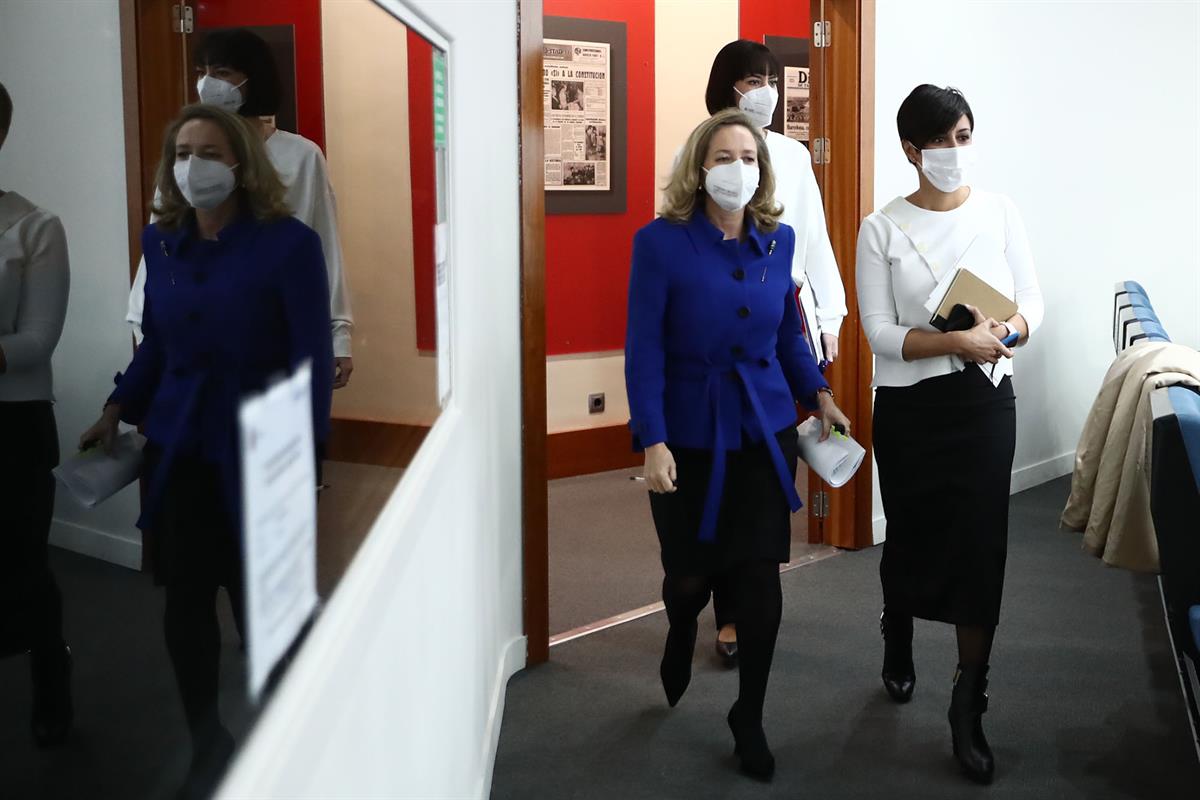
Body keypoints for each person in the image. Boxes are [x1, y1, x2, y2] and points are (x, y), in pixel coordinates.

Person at [80, 104, 333, 798]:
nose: (196, 165)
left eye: (212, 151)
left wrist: (305, 462)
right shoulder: (160, 242)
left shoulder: (289, 244)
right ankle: (206, 738)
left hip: (261, 450)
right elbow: (158, 341)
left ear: (242, 163)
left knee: (264, 612)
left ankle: (285, 741)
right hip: (180, 447)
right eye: (184, 151)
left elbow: (311, 360)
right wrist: (117, 406)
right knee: (185, 601)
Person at [625, 108, 851, 781]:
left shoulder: (779, 242)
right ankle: (679, 625)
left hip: (763, 428)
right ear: (699, 168)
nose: (738, 170)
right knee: (690, 576)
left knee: (757, 575)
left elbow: (785, 333)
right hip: (688, 433)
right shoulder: (659, 243)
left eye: (749, 158)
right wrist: (653, 438)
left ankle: (748, 714)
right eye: (724, 157)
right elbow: (643, 349)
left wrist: (819, 392)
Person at [856, 85, 1044, 785]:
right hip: (910, 409)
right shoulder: (881, 228)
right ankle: (897, 625)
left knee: (980, 544)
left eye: (964, 136)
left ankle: (970, 698)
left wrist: (1006, 332)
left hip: (984, 403)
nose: (955, 151)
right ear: (911, 150)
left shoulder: (1001, 212)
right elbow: (876, 332)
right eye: (941, 140)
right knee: (910, 533)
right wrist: (953, 343)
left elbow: (1032, 301)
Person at [702, 39, 848, 665]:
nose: (764, 88)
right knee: (721, 475)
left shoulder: (791, 154)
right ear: (725, 88)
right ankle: (725, 610)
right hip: (720, 335)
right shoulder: (703, 151)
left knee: (770, 464)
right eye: (749, 79)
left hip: (783, 321)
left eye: (770, 77)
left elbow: (812, 237)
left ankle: (754, 590)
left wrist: (831, 312)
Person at [126, 28, 354, 389]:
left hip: (270, 329)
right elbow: (160, 242)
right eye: (201, 72)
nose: (207, 83)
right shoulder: (188, 153)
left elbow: (324, 245)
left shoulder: (301, 155)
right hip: (192, 328)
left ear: (252, 78)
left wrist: (338, 333)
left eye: (221, 72)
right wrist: (142, 325)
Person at [0, 80, 73, 748]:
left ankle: (54, 689)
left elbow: (35, 343)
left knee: (22, 568)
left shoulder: (34, 226)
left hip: (14, 429)